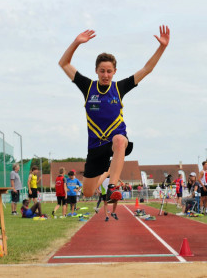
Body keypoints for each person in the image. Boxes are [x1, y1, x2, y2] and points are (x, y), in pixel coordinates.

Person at [58, 26, 170, 203]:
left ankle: (112, 187)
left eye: (109, 71)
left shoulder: (119, 88)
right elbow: (63, 63)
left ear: (114, 72)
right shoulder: (88, 87)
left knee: (119, 140)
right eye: (102, 71)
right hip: (95, 146)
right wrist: (76, 42)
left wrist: (162, 47)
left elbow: (147, 69)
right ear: (96, 71)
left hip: (115, 141)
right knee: (88, 192)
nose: (105, 75)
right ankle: (107, 173)